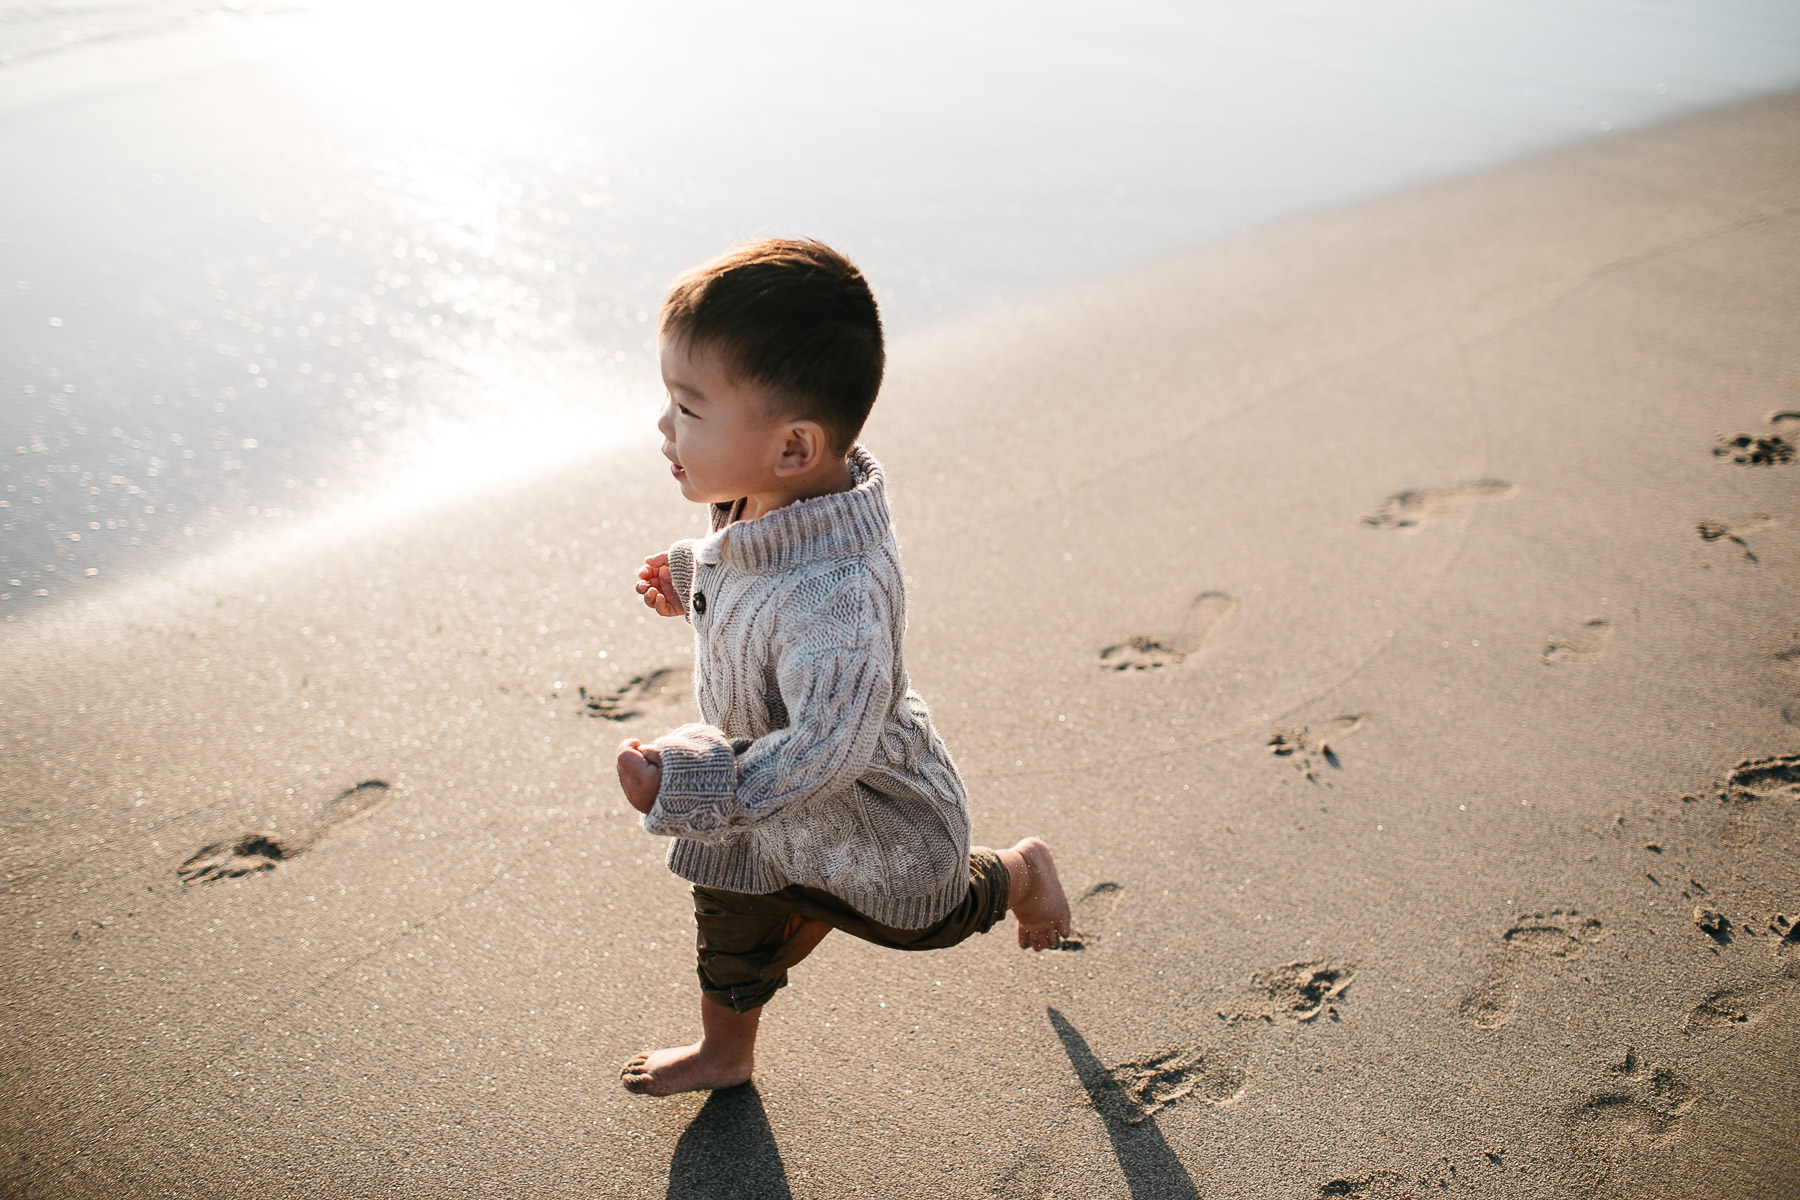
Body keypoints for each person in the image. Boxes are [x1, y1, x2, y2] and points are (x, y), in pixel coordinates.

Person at [614, 237, 1071, 1096]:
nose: (664, 426)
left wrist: (692, 784)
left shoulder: (841, 607)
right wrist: (689, 575)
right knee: (729, 917)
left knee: (926, 917)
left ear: (793, 446)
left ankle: (1017, 873)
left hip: (865, 815)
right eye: (668, 400)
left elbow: (828, 750)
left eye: (688, 407)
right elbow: (745, 560)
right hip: (758, 806)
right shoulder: (765, 492)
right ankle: (726, 1052)